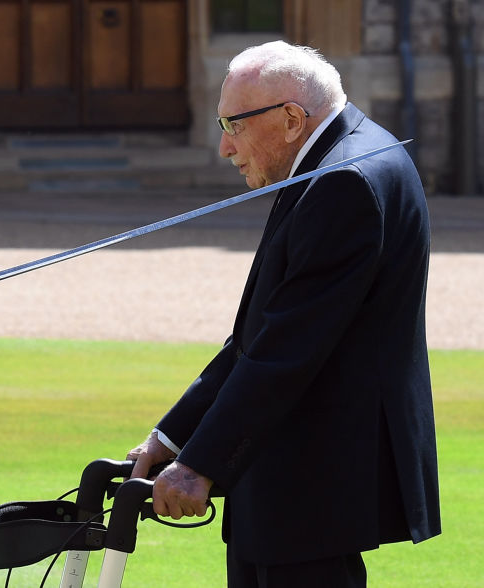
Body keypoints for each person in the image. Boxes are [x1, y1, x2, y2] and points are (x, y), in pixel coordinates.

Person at [126, 41, 440, 587]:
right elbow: (262, 331)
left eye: (233, 125)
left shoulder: (343, 180)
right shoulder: (338, 158)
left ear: (292, 119)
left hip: (310, 480)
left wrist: (198, 465)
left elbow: (285, 351)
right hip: (293, 478)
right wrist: (172, 439)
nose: (224, 147)